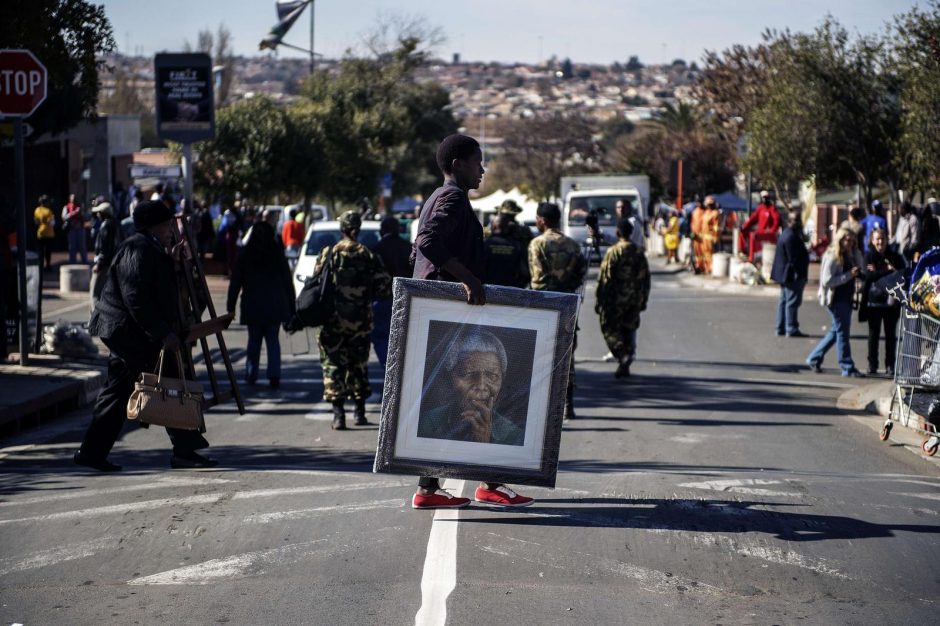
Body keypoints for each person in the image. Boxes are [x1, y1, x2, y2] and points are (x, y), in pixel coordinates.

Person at [411, 133, 533, 510]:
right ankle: (484, 483)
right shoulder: (450, 197)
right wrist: (468, 278)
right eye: (477, 161)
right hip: (449, 312)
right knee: (460, 393)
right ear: (457, 164)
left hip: (443, 310)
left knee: (458, 395)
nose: (482, 169)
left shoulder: (439, 196)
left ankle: (438, 488)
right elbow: (427, 241)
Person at [75, 200, 215, 472]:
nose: (171, 229)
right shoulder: (138, 248)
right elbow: (135, 297)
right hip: (125, 331)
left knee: (126, 390)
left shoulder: (152, 248)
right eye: (167, 225)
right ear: (157, 226)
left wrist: (173, 261)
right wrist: (162, 332)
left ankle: (92, 452)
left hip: (129, 332)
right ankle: (184, 449)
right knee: (166, 381)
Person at [316, 210, 391, 430]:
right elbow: (384, 288)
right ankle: (359, 413)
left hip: (332, 322)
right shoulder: (369, 256)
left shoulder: (329, 253)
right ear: (357, 229)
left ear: (342, 229)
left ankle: (338, 415)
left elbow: (317, 283)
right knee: (358, 366)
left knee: (333, 366)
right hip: (360, 323)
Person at [529, 201, 587, 418]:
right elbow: (580, 276)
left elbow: (537, 280)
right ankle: (568, 405)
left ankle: (543, 407)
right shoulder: (573, 245)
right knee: (567, 357)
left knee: (542, 358)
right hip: (568, 304)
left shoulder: (537, 244)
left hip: (545, 306)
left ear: (542, 220)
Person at [417, 328, 523, 445]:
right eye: (468, 374)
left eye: (492, 376)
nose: (481, 386)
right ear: (450, 378)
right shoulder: (426, 423)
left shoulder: (514, 436)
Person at [227, 221, 295, 389]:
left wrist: (231, 306)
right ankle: (274, 375)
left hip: (253, 305)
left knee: (254, 341)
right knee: (273, 340)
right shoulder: (277, 253)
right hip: (274, 305)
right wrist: (292, 307)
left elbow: (235, 282)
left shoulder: (245, 254)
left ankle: (251, 373)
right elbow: (287, 281)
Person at [806, 228, 865, 377]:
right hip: (836, 300)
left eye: (852, 241)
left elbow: (861, 267)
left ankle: (814, 358)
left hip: (847, 297)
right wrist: (848, 276)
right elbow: (827, 281)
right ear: (839, 239)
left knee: (836, 331)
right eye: (847, 240)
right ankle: (847, 366)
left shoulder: (850, 254)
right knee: (842, 334)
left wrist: (856, 251)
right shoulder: (833, 256)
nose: (850, 243)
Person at [596, 218, 651, 378]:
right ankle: (624, 365)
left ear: (617, 233)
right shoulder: (639, 252)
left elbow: (604, 278)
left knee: (609, 329)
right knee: (628, 329)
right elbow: (646, 279)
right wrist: (643, 300)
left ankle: (622, 355)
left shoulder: (613, 252)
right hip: (634, 300)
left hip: (615, 300)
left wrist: (600, 300)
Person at [370, 215, 413, 368]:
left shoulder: (376, 249)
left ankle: (388, 368)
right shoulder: (408, 247)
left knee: (382, 337)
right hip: (407, 298)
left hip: (383, 299)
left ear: (382, 231)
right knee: (403, 337)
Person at [859, 228, 903, 376]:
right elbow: (868, 276)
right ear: (872, 240)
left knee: (891, 336)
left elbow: (902, 273)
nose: (880, 242)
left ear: (887, 239)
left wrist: (879, 271)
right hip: (874, 303)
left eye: (882, 239)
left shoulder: (895, 256)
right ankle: (872, 365)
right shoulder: (868, 256)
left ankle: (890, 365)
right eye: (877, 239)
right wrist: (888, 271)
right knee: (873, 335)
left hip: (891, 303)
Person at [770, 209, 810, 338]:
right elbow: (794, 259)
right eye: (796, 220)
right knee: (791, 302)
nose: (798, 223)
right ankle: (791, 328)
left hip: (785, 274)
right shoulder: (791, 236)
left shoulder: (789, 234)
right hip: (791, 275)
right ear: (789, 221)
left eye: (799, 220)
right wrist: (800, 275)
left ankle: (780, 327)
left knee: (784, 301)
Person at [89, 201, 122, 311]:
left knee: (95, 292)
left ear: (104, 213)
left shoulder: (105, 226)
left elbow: (104, 248)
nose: (97, 215)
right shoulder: (116, 225)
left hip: (104, 265)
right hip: (112, 264)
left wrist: (99, 264)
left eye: (99, 212)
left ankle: (94, 320)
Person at [484, 213, 529, 288]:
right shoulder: (517, 245)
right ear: (507, 227)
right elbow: (525, 272)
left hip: (488, 290)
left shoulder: (484, 244)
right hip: (511, 291)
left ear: (494, 226)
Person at [740, 190, 780, 263]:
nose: (765, 199)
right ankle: (743, 252)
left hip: (768, 234)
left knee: (753, 236)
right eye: (763, 197)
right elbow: (753, 218)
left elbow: (776, 222)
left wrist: (771, 231)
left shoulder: (772, 209)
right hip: (760, 232)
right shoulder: (760, 208)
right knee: (743, 232)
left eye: (766, 197)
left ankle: (751, 258)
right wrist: (744, 226)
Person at [61, 193, 87, 264]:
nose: (74, 199)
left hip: (80, 229)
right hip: (71, 230)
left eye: (75, 198)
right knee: (72, 247)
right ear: (70, 199)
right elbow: (64, 217)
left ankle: (85, 262)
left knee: (82, 247)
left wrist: (80, 213)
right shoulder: (66, 207)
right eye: (73, 198)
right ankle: (72, 263)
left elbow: (85, 217)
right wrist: (73, 213)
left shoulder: (80, 207)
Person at [33, 195, 55, 270]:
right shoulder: (48, 211)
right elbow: (51, 222)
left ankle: (40, 265)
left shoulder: (37, 210)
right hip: (48, 233)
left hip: (40, 233)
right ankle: (48, 265)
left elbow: (36, 222)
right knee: (47, 251)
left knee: (40, 251)